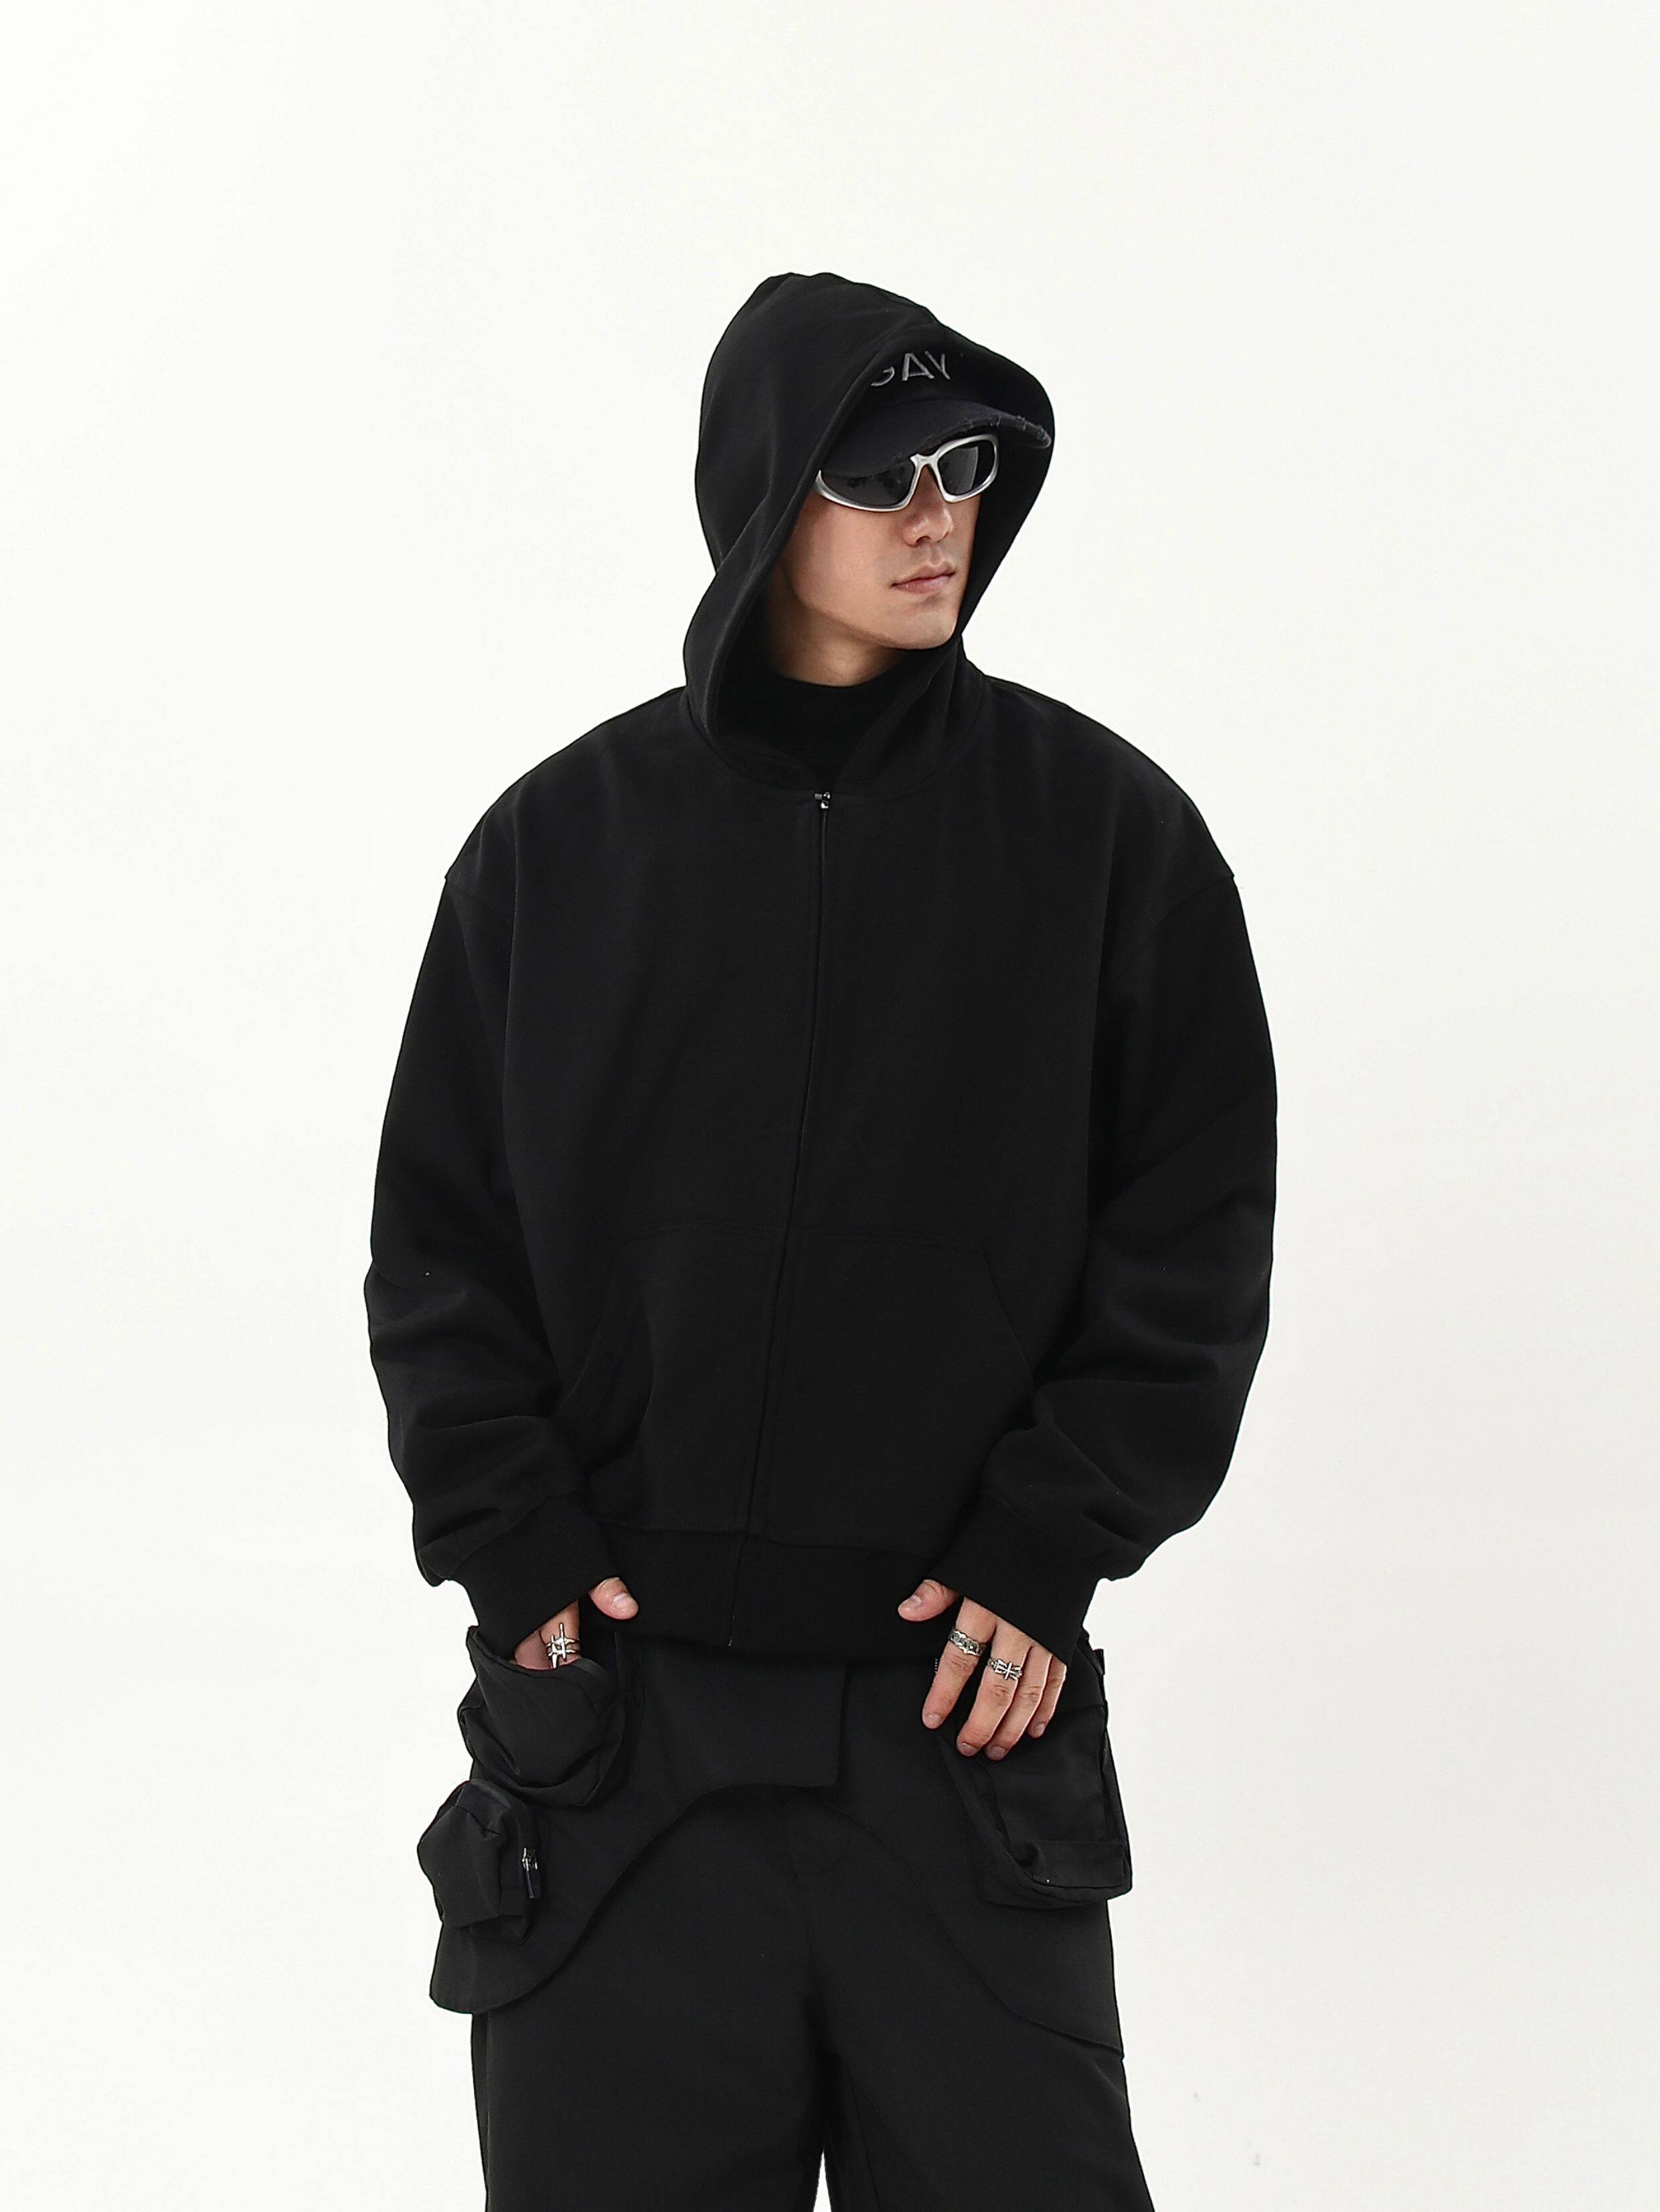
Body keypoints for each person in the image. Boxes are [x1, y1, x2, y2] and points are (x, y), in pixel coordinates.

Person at [364, 268, 1278, 2209]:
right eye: (882, 476)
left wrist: (1048, 1542)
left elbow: (1193, 1239)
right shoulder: (557, 850)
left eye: (968, 469)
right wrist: (514, 1547)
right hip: (618, 1740)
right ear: (768, 494)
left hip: (960, 1726)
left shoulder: (1110, 840)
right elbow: (439, 1251)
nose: (940, 516)